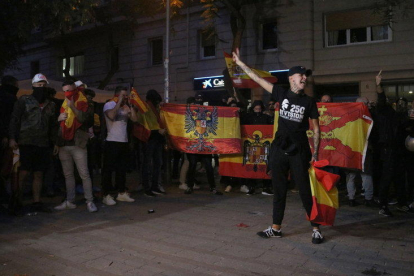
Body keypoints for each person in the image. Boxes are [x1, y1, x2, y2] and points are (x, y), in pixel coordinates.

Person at [232, 49, 323, 244]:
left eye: (305, 76)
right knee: (279, 189)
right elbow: (257, 78)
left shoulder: (309, 102)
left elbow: (316, 129)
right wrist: (240, 64)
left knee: (305, 190)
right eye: (301, 76)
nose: (304, 79)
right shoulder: (280, 92)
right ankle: (276, 228)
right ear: (291, 78)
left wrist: (315, 152)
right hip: (280, 149)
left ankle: (316, 228)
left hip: (299, 151)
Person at [8, 73, 58, 215]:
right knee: (23, 173)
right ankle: (17, 201)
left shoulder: (51, 104)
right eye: (38, 85)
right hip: (26, 142)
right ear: (33, 86)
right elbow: (15, 120)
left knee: (39, 174)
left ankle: (37, 202)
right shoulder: (24, 100)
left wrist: (55, 142)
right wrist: (12, 138)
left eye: (43, 85)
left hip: (42, 143)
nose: (41, 88)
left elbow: (53, 125)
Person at [54, 81, 97, 212]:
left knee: (84, 174)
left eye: (69, 90)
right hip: (64, 144)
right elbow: (59, 126)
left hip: (78, 143)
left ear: (75, 89)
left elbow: (85, 119)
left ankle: (89, 201)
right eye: (65, 90)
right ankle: (70, 200)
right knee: (68, 175)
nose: (67, 93)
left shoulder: (84, 102)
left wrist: (72, 106)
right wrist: (58, 119)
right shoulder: (63, 104)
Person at [101, 86, 138, 205]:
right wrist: (118, 103)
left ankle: (121, 192)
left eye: (126, 95)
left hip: (123, 141)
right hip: (112, 140)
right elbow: (111, 116)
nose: (125, 97)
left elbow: (134, 119)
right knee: (108, 169)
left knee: (121, 169)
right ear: (117, 94)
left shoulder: (126, 106)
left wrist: (130, 107)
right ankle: (106, 194)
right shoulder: (110, 104)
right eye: (123, 95)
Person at [346, 97, 374, 207]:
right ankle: (368, 198)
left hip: (351, 149)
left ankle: (351, 198)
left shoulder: (349, 116)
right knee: (366, 175)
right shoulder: (368, 116)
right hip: (364, 149)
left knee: (351, 175)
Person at [241, 100, 274, 196]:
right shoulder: (248, 117)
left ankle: (266, 187)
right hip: (251, 147)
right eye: (256, 108)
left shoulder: (266, 117)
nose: (258, 110)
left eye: (259, 108)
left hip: (263, 147)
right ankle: (251, 187)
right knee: (252, 166)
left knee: (265, 165)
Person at [140, 89, 167, 197]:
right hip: (150, 138)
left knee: (157, 163)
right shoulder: (146, 108)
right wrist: (157, 131)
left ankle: (153, 186)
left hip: (155, 138)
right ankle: (148, 188)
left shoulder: (153, 108)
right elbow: (146, 124)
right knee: (148, 164)